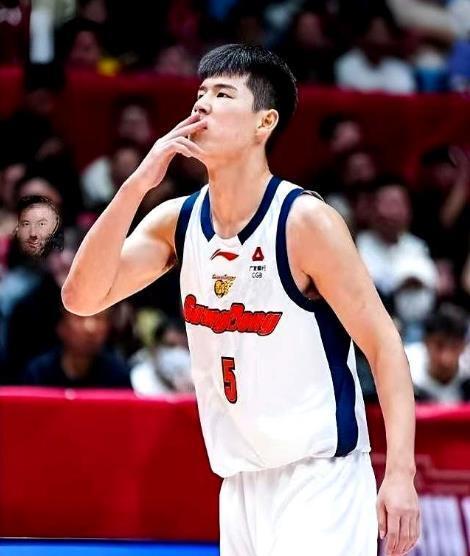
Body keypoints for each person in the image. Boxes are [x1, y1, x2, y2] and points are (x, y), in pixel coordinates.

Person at [62, 44, 419, 555]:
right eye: (200, 92)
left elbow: (384, 346)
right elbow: (81, 298)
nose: (202, 103)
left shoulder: (304, 222)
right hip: (239, 484)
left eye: (224, 93)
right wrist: (138, 183)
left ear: (263, 123)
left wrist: (401, 474)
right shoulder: (179, 221)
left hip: (319, 480)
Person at [22, 307, 131, 389]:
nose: (90, 328)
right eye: (80, 317)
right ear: (61, 326)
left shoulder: (119, 375)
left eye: (99, 318)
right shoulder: (38, 374)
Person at [406, 304, 469, 403]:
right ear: (426, 342)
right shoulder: (406, 369)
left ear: (464, 346)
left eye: (454, 346)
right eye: (439, 346)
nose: (446, 358)